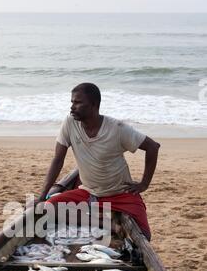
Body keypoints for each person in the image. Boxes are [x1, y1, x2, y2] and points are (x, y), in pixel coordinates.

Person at [37, 83, 160, 240]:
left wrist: (144, 184)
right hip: (89, 192)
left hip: (120, 194)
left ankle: (103, 221)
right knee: (48, 208)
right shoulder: (70, 123)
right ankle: (106, 224)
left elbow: (153, 147)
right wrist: (42, 196)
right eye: (72, 102)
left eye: (78, 102)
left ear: (94, 105)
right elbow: (57, 159)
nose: (72, 107)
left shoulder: (117, 128)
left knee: (144, 236)